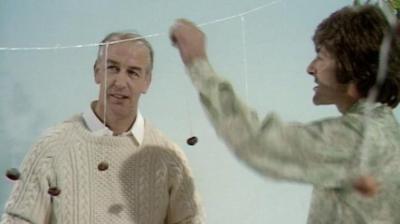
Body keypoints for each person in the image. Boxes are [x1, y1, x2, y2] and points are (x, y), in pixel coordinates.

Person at [170, 4, 400, 224]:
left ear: (351, 62)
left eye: (321, 55)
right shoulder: (380, 132)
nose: (311, 68)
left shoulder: (360, 136)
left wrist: (197, 62)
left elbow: (259, 143)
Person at [1, 32, 203, 224]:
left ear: (147, 82)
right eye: (112, 68)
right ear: (97, 72)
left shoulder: (169, 158)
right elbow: (18, 219)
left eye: (133, 72)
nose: (120, 82)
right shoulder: (51, 147)